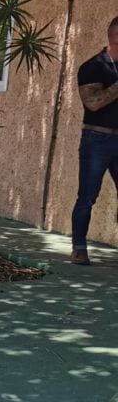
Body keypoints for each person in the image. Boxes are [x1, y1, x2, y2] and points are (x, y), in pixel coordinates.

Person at [70, 16, 118, 265]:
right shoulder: (93, 67)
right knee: (87, 196)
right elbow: (93, 103)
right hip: (96, 138)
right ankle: (79, 248)